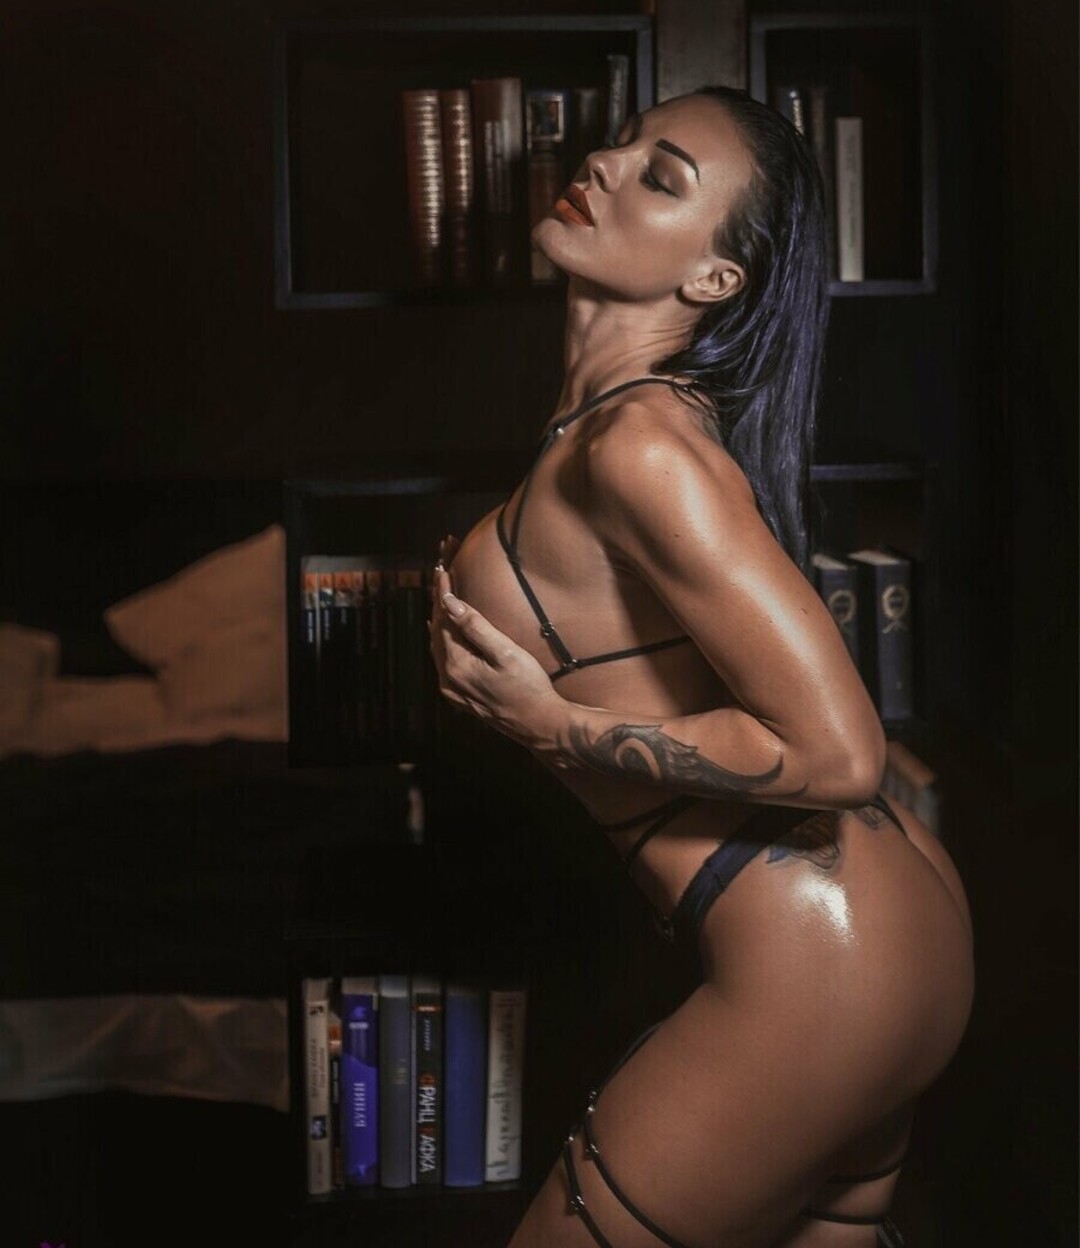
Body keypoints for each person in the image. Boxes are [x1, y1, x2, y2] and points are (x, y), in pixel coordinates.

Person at [429, 86, 974, 1248]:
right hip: (883, 935)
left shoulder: (641, 448)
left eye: (662, 176)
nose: (605, 165)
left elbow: (840, 753)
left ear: (716, 278)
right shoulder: (617, 429)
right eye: (623, 144)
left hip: (819, 965)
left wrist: (549, 723)